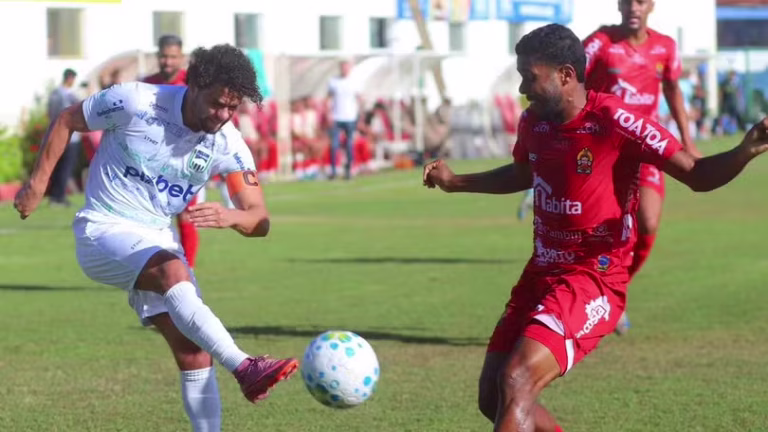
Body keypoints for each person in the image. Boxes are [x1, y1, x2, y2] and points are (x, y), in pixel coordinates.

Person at [422, 23, 768, 432]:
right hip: (540, 274)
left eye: (529, 77)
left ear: (566, 75)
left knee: (516, 379)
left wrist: (745, 150)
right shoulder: (534, 122)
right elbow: (522, 174)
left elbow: (696, 173)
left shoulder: (616, 120)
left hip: (593, 278)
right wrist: (455, 182)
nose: (522, 88)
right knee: (492, 398)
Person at [14, 44, 298, 432]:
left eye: (232, 108)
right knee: (173, 272)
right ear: (193, 85)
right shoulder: (135, 100)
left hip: (156, 238)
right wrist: (37, 183)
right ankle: (246, 367)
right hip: (103, 227)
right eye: (216, 104)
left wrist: (231, 216)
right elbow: (67, 119)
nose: (223, 116)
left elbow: (259, 218)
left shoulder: (228, 142)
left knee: (195, 352)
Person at [582, 0, 702, 335]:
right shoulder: (599, 43)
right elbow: (570, 79)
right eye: (627, 0)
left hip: (645, 148)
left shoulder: (665, 47)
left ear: (651, 5)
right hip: (603, 149)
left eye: (641, 0)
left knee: (647, 222)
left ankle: (615, 292)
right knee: (599, 229)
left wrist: (688, 143)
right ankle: (590, 295)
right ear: (618, 5)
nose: (634, 6)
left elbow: (673, 90)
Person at [142, 35, 201, 270]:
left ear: (181, 58)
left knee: (185, 218)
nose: (167, 62)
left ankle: (188, 270)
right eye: (164, 56)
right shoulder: (147, 84)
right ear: (158, 57)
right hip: (152, 162)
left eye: (172, 57)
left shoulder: (193, 84)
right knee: (148, 218)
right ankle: (148, 270)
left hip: (184, 161)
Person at [46, 68, 81, 207]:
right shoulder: (63, 95)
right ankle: (58, 197)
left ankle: (56, 196)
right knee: (65, 167)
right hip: (68, 136)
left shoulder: (60, 94)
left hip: (64, 135)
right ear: (70, 78)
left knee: (61, 166)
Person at [327, 60, 362, 180]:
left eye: (347, 67)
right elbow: (329, 98)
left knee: (348, 144)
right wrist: (329, 114)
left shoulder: (354, 82)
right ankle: (333, 170)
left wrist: (360, 114)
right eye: (343, 67)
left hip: (350, 117)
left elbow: (359, 98)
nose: (345, 69)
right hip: (337, 117)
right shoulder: (334, 82)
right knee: (334, 145)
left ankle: (348, 170)